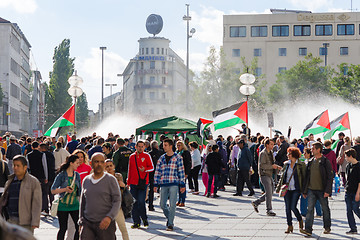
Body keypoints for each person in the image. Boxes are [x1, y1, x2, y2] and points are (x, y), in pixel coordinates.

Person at [79, 153, 121, 240]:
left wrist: (109, 217)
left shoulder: (111, 180)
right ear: (91, 163)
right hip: (88, 223)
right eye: (96, 162)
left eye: (102, 162)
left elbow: (117, 200)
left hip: (105, 224)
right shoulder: (86, 180)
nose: (99, 164)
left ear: (104, 164)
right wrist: (81, 220)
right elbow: (83, 202)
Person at [0, 155, 41, 234]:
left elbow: (37, 203)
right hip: (10, 221)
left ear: (25, 167)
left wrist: (35, 221)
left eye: (18, 166)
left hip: (25, 222)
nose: (15, 168)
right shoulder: (9, 181)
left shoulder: (33, 182)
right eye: (14, 165)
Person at [300, 142, 333, 236]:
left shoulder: (325, 161)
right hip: (311, 190)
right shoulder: (310, 161)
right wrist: (305, 190)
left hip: (322, 190)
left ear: (318, 150)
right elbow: (307, 178)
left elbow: (330, 177)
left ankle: (327, 227)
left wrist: (328, 191)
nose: (311, 150)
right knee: (309, 209)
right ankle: (308, 229)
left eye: (313, 149)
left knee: (325, 209)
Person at [154, 138, 185, 231]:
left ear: (171, 146)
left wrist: (182, 184)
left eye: (165, 145)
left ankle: (170, 224)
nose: (163, 147)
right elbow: (157, 171)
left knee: (172, 204)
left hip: (174, 183)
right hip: (163, 183)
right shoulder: (162, 158)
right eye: (163, 145)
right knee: (162, 204)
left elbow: (181, 171)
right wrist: (156, 184)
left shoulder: (178, 157)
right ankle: (169, 218)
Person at [51, 155, 81, 240]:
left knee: (77, 227)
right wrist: (65, 189)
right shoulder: (61, 175)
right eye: (77, 163)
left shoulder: (77, 175)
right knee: (63, 228)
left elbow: (80, 191)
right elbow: (53, 190)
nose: (78, 165)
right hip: (63, 205)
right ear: (71, 163)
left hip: (75, 204)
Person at [276, 147, 305, 233]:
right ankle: (289, 225)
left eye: (289, 154)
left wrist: (304, 190)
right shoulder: (286, 164)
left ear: (294, 155)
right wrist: (278, 187)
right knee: (287, 208)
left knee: (293, 206)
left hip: (296, 188)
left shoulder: (301, 165)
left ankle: (300, 220)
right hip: (287, 189)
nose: (287, 155)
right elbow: (282, 177)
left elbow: (304, 178)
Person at [127, 140, 154, 229]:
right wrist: (128, 182)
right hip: (133, 183)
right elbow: (130, 170)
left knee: (141, 202)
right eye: (139, 146)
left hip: (142, 183)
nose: (140, 148)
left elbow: (152, 167)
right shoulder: (132, 157)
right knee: (134, 203)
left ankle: (144, 218)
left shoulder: (147, 156)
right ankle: (136, 222)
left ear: (144, 147)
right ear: (136, 147)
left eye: (142, 146)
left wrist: (145, 169)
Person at [252, 139, 281, 216]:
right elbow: (262, 165)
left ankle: (256, 202)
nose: (273, 146)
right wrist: (272, 166)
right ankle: (269, 210)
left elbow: (272, 163)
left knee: (270, 192)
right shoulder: (263, 153)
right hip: (264, 174)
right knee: (268, 192)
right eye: (271, 144)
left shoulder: (270, 153)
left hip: (269, 174)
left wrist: (276, 167)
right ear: (267, 145)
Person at [105, 160, 129, 240]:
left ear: (114, 166)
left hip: (117, 207)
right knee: (109, 231)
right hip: (106, 207)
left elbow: (122, 187)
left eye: (110, 166)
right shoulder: (103, 178)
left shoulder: (118, 176)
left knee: (123, 228)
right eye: (107, 166)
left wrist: (123, 186)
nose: (109, 168)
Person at [27, 141, 49, 214]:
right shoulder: (42, 154)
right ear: (38, 146)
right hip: (41, 175)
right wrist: (46, 177)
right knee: (43, 192)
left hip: (33, 176)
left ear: (32, 147)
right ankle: (45, 208)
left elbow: (28, 167)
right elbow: (45, 166)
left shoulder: (28, 155)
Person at [299, 148, 322, 218]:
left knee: (304, 197)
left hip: (308, 182)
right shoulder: (308, 161)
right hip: (313, 183)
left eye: (305, 153)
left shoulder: (309, 162)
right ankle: (319, 212)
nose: (304, 154)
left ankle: (304, 212)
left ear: (309, 154)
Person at [343, 149, 360, 234]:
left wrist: (358, 193)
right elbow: (347, 178)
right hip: (348, 191)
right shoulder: (348, 166)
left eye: (346, 156)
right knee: (348, 210)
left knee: (355, 209)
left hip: (356, 191)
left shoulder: (358, 166)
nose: (345, 158)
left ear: (350, 156)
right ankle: (353, 228)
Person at [175, 140, 191, 206]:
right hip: (176, 172)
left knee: (182, 186)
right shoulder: (176, 152)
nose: (178, 146)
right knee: (178, 187)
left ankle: (183, 201)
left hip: (183, 172)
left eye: (180, 145)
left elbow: (188, 163)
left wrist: (186, 173)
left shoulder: (186, 152)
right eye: (177, 145)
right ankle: (179, 200)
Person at [148, 140, 162, 211]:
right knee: (162, 188)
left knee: (151, 190)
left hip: (151, 173)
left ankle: (150, 205)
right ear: (157, 146)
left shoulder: (149, 154)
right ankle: (163, 203)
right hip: (160, 173)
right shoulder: (161, 153)